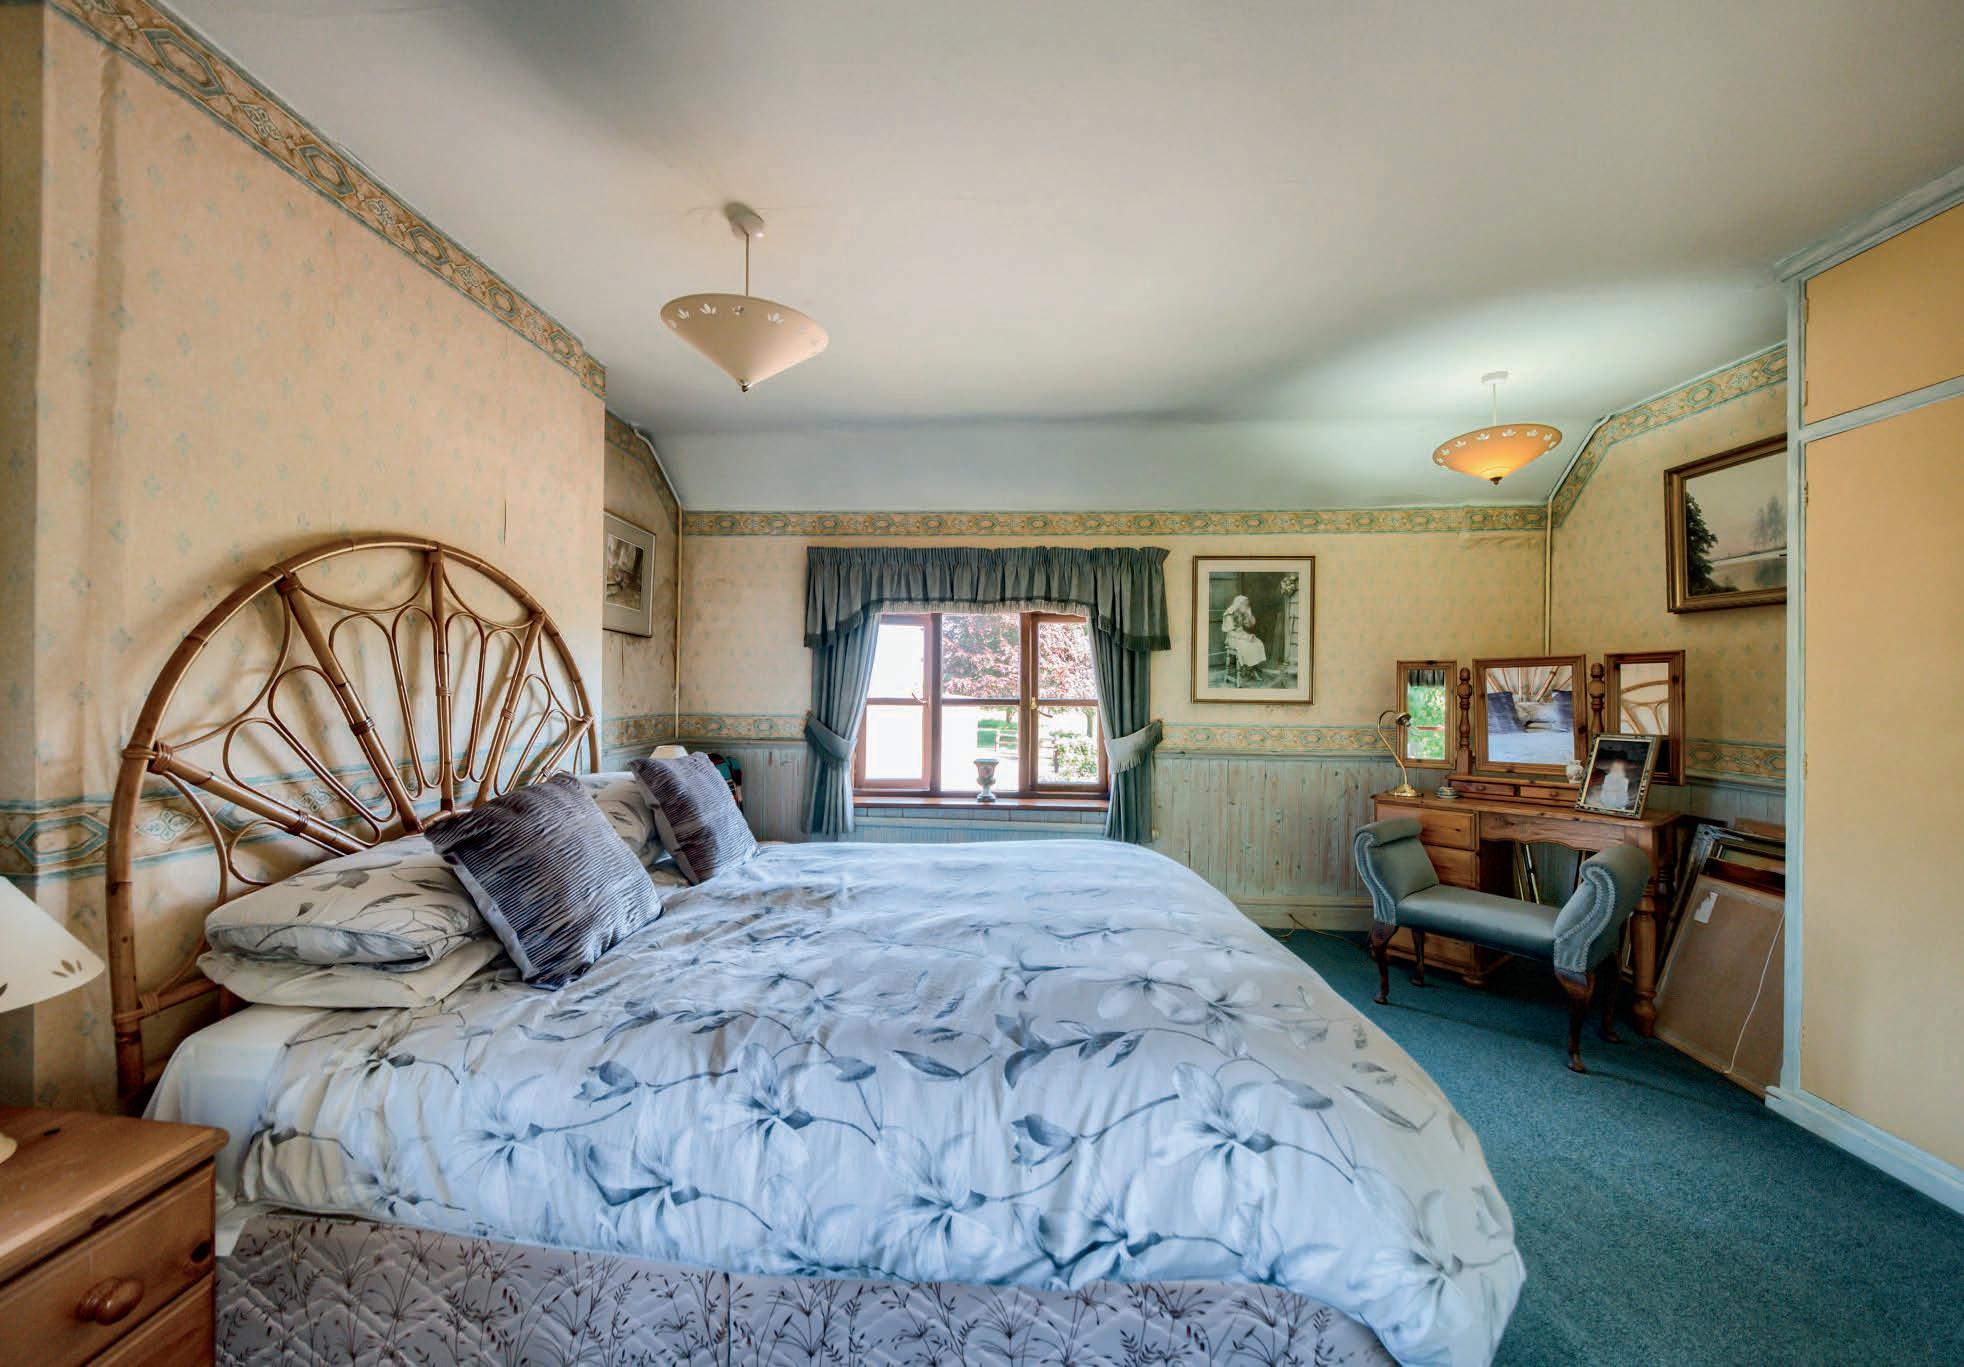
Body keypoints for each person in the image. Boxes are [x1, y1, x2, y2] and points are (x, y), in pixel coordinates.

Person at [1220, 595, 1267, 679]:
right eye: (1245, 604)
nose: (1246, 606)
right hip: (1232, 638)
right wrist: (1245, 637)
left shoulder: (1242, 612)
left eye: (1247, 605)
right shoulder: (1229, 613)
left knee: (1257, 642)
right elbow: (1230, 632)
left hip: (1242, 635)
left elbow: (1250, 625)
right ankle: (1245, 668)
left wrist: (1249, 613)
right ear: (1239, 604)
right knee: (1246, 645)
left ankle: (1250, 668)